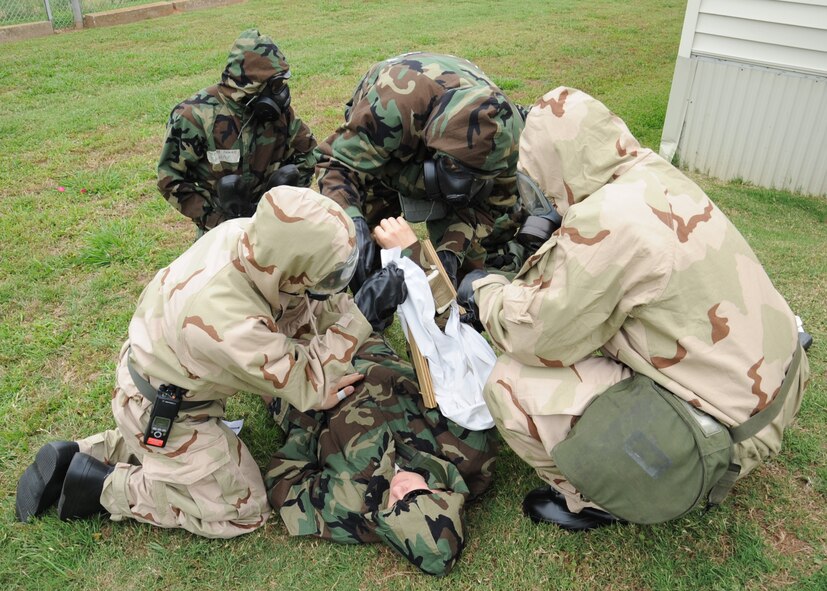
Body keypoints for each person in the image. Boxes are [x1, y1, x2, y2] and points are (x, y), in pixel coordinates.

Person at [448, 86, 809, 530]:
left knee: (508, 382)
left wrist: (484, 291)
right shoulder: (653, 174)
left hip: (722, 439)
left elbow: (534, 337)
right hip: (774, 395)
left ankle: (594, 500)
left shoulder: (607, 221)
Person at [15, 187, 373, 538]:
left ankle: (82, 453)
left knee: (184, 457)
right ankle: (103, 486)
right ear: (292, 264)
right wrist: (360, 317)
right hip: (170, 412)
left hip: (157, 381)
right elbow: (309, 384)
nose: (332, 282)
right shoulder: (229, 321)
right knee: (242, 509)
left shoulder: (244, 237)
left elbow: (295, 306)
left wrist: (343, 298)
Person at [265, 334, 497, 576]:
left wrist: (310, 409)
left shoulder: (350, 504)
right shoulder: (472, 455)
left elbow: (283, 483)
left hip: (302, 378)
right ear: (442, 493)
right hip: (362, 344)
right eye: (413, 496)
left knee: (246, 330)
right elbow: (463, 380)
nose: (397, 492)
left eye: (393, 508)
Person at [315, 51, 526, 293]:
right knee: (371, 225)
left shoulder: (510, 143)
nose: (459, 186)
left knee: (484, 241)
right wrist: (353, 222)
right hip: (401, 114)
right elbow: (336, 164)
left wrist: (449, 252)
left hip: (440, 121)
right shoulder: (391, 107)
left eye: (473, 176)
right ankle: (373, 292)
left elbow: (488, 208)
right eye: (454, 168)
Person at [157, 29, 317, 235]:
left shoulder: (278, 114)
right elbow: (170, 179)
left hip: (274, 222)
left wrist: (284, 200)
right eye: (274, 85)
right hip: (220, 228)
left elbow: (307, 154)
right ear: (250, 85)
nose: (281, 93)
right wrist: (218, 220)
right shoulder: (193, 117)